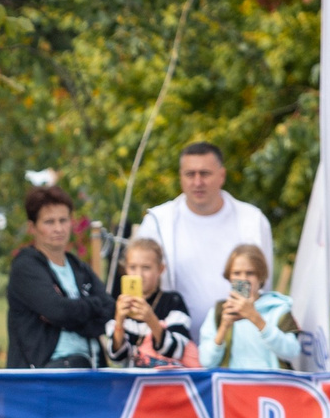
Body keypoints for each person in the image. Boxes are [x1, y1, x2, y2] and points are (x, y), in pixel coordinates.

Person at [133, 142, 276, 319]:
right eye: (190, 174)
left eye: (205, 174)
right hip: (173, 340)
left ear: (222, 175)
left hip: (235, 339)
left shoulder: (252, 221)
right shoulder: (157, 222)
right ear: (181, 177)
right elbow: (141, 285)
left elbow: (264, 284)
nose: (197, 182)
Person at [6, 186, 112, 370]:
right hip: (46, 372)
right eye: (49, 222)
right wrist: (88, 309)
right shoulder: (26, 266)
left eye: (63, 220)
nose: (58, 228)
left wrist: (68, 315)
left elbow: (109, 308)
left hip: (92, 368)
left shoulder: (78, 267)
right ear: (32, 227)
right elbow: (58, 311)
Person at [198, 244, 301, 371]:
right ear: (229, 276)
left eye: (250, 273)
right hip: (233, 386)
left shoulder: (278, 309)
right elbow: (206, 362)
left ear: (261, 276)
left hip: (271, 386)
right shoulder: (219, 311)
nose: (243, 279)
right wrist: (224, 327)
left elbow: (292, 352)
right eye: (236, 273)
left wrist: (256, 318)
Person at [102, 237, 193, 367]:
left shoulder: (173, 302)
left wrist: (151, 319)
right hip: (134, 384)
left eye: (146, 268)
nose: (139, 274)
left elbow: (177, 351)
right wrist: (119, 320)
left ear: (160, 269)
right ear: (125, 269)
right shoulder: (119, 305)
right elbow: (116, 357)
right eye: (133, 267)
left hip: (168, 383)